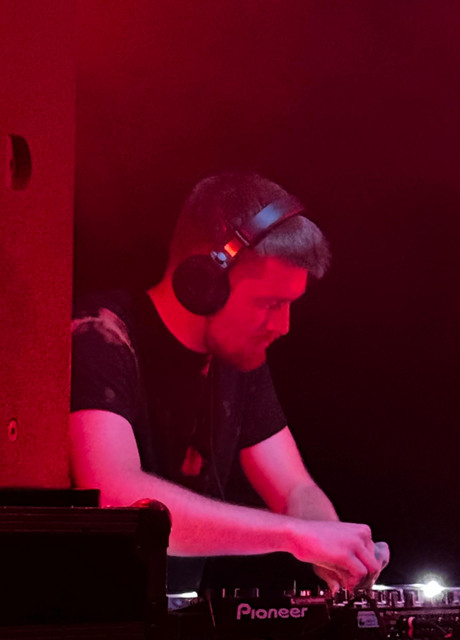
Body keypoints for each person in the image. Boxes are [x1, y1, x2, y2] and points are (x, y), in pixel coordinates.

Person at [69, 172, 388, 595]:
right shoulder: (101, 333)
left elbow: (294, 488)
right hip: (85, 613)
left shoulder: (237, 356)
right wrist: (295, 536)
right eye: (270, 304)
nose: (283, 326)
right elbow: (114, 494)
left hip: (170, 612)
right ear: (203, 284)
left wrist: (337, 549)